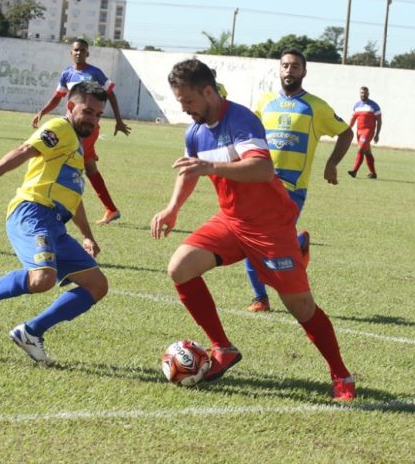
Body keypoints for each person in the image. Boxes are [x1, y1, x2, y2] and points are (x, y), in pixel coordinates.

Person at [150, 58, 355, 400]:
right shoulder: (195, 132)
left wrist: (210, 166)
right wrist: (172, 208)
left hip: (270, 226)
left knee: (301, 308)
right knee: (180, 268)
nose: (184, 108)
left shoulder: (240, 118)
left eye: (188, 101)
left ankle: (341, 376)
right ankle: (222, 349)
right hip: (231, 221)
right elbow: (191, 170)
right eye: (179, 101)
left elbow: (261, 168)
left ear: (207, 91)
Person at [0, 81, 110, 364]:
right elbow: (25, 149)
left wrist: (88, 235)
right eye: (88, 111)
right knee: (42, 279)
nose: (93, 119)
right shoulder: (59, 127)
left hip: (55, 224)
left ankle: (31, 332)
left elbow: (74, 197)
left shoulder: (76, 145)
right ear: (70, 106)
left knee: (97, 285)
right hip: (32, 212)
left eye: (98, 114)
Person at [246, 49, 353, 312]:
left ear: (304, 72)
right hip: (259, 182)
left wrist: (331, 164)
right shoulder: (263, 103)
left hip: (292, 187)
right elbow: (249, 137)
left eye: (295, 66)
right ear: (279, 70)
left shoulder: (316, 107)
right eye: (285, 66)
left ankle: (296, 244)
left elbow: (346, 133)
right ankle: (260, 298)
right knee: (248, 240)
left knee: (268, 242)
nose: (289, 71)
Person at [32, 38, 131, 225]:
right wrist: (42, 112)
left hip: (87, 128)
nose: (79, 53)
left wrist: (118, 120)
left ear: (87, 53)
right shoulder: (67, 74)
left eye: (82, 50)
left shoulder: (94, 73)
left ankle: (57, 205)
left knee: (68, 163)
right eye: (76, 50)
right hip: (73, 126)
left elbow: (110, 94)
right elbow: (57, 97)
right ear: (71, 52)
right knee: (90, 167)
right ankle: (111, 209)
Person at [347, 86, 382, 179]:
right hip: (359, 132)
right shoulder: (357, 105)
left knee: (360, 149)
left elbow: (379, 120)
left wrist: (377, 134)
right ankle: (373, 173)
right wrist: (348, 129)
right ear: (359, 93)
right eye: (362, 93)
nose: (363, 94)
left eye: (365, 93)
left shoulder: (374, 105)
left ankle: (354, 171)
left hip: (368, 131)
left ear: (368, 94)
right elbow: (353, 118)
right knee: (367, 152)